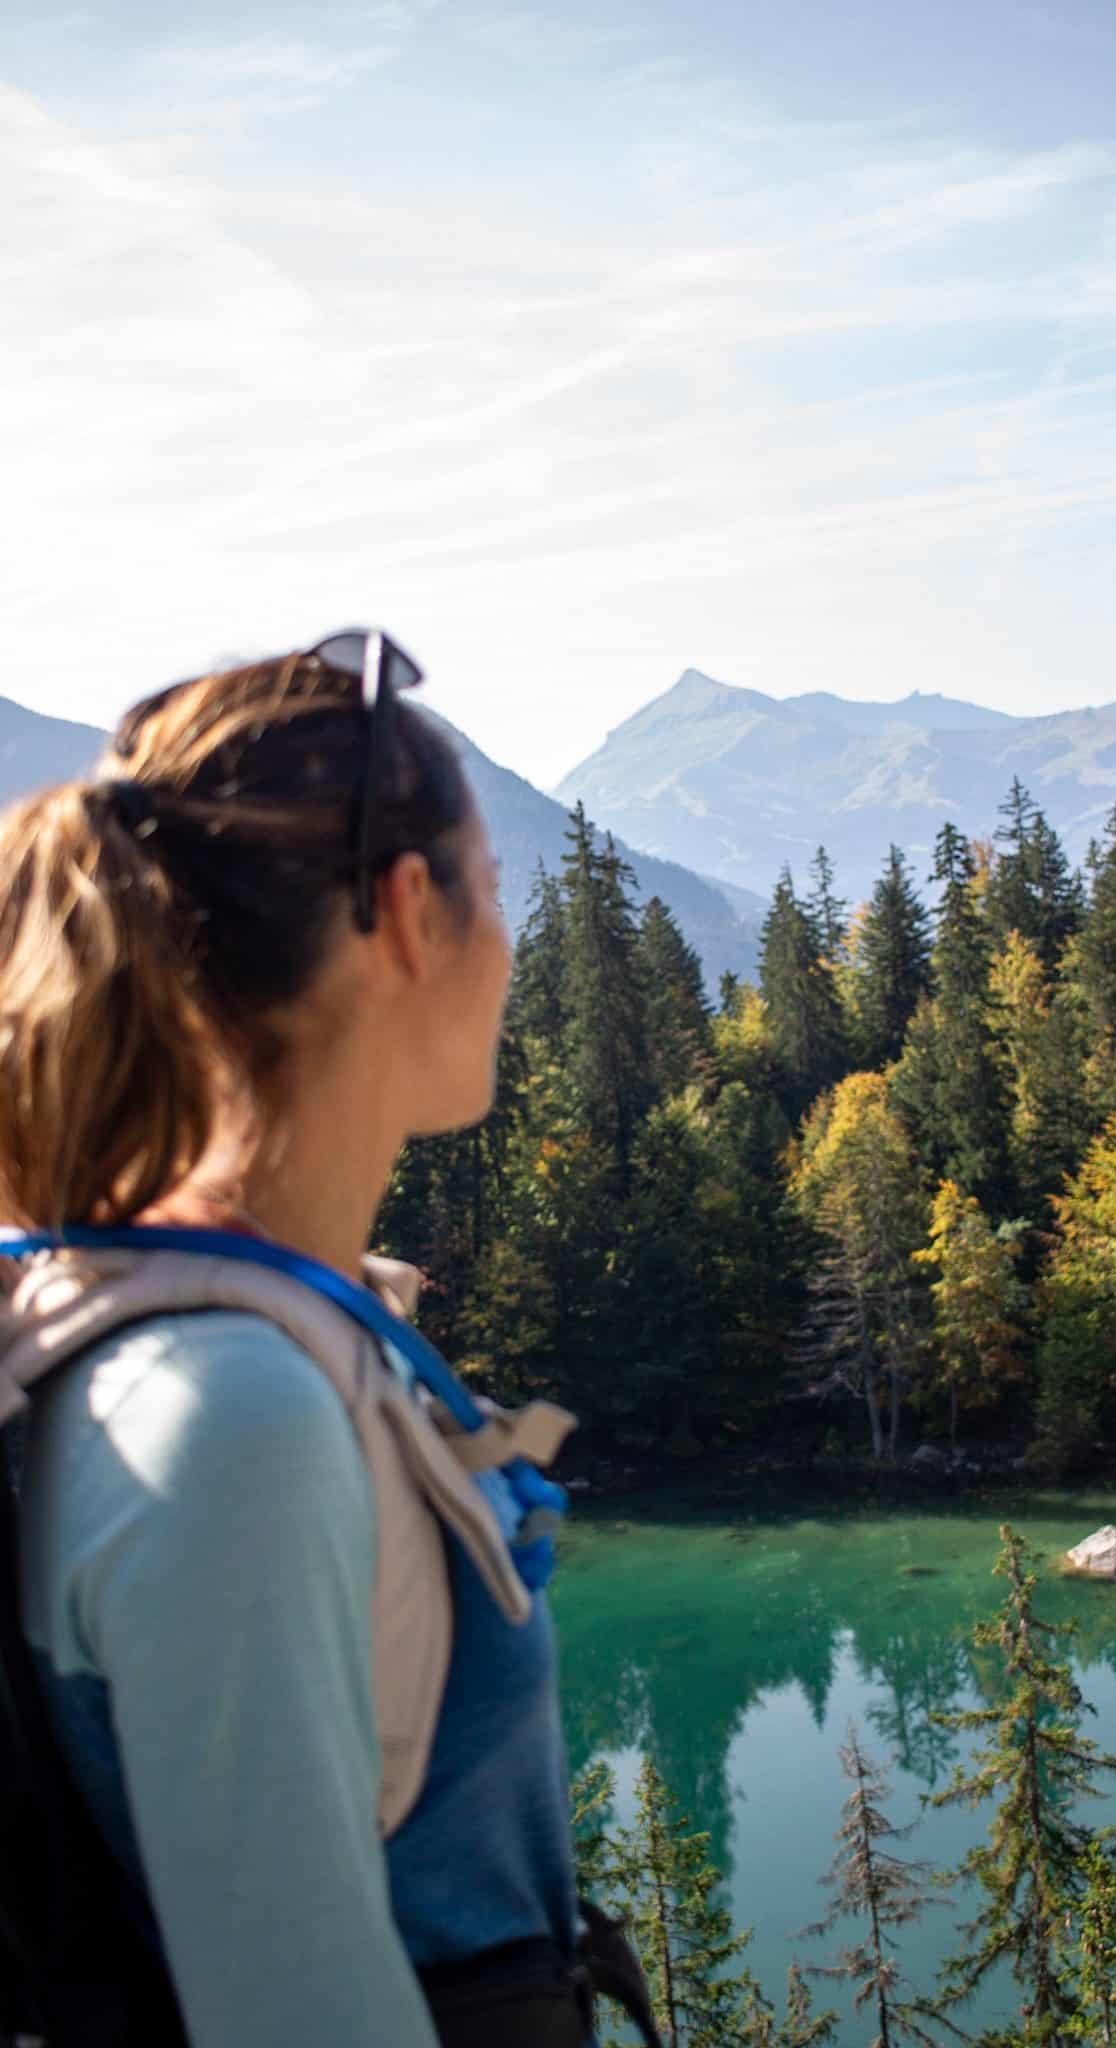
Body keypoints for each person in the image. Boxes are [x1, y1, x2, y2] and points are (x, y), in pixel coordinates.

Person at [0, 631, 615, 2047]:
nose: (512, 941)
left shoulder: (254, 1329)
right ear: (407, 913)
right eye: (496, 889)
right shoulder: (228, 1411)